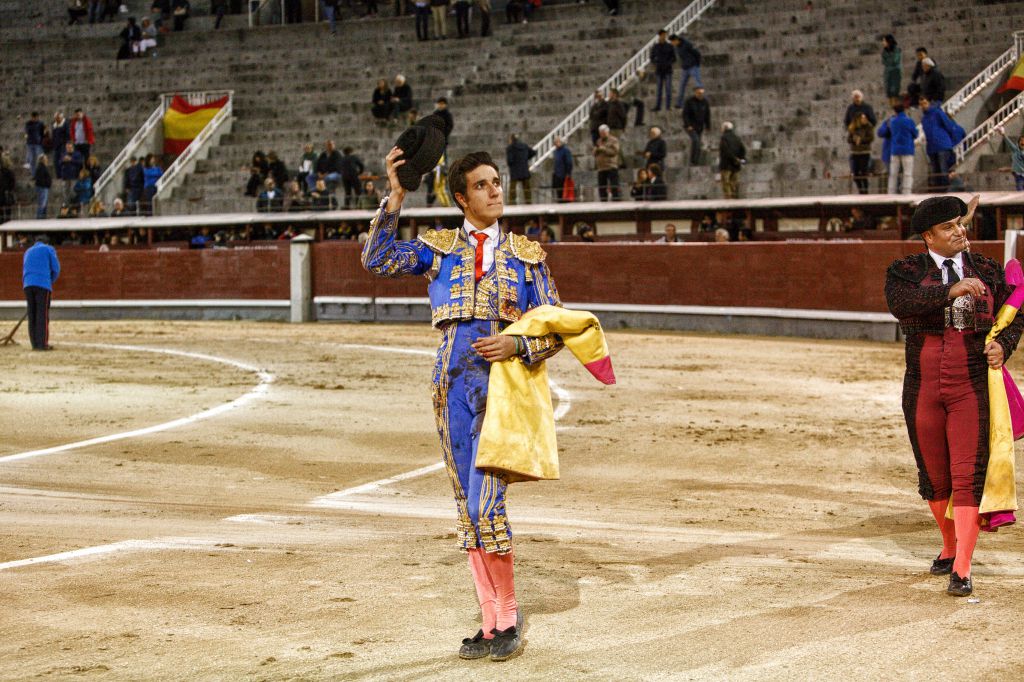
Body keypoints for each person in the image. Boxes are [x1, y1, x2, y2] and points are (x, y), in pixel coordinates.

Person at [362, 148, 564, 662]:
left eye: (497, 182)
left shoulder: (526, 254)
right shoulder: (439, 247)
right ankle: (490, 619)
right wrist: (398, 193)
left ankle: (510, 613)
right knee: (465, 509)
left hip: (502, 391)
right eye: (482, 185)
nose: (496, 190)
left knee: (485, 505)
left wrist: (517, 345)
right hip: (451, 386)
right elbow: (376, 259)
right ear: (461, 196)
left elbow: (557, 328)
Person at [885, 195, 1024, 597]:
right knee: (934, 476)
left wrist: (1005, 344)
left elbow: (1017, 314)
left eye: (960, 224)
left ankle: (962, 567)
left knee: (968, 475)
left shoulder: (987, 269)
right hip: (923, 386)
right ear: (928, 236)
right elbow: (901, 305)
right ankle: (949, 546)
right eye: (948, 227)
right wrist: (952, 289)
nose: (959, 231)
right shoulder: (906, 271)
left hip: (972, 383)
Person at [22, 235, 61, 351]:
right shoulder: (48, 249)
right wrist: (49, 281)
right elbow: (56, 269)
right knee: (42, 314)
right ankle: (42, 344)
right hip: (42, 284)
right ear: (47, 243)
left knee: (32, 314)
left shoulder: (27, 251)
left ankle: (34, 343)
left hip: (27, 285)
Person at [919, 98, 964, 192]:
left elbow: (949, 126)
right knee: (935, 171)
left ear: (929, 103)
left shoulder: (938, 113)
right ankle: (938, 190)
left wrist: (946, 139)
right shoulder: (924, 118)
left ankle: (945, 190)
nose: (923, 106)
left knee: (943, 169)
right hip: (932, 147)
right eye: (921, 104)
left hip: (942, 145)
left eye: (925, 103)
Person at [877, 104, 918, 194]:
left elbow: (882, 132)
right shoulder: (909, 121)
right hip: (907, 149)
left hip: (895, 150)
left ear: (895, 111)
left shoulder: (892, 121)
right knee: (907, 173)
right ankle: (906, 191)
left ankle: (891, 191)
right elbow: (915, 134)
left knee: (893, 174)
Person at [671, 33, 702, 105]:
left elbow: (697, 53)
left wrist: (697, 63)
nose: (672, 44)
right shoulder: (676, 47)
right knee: (682, 85)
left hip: (693, 66)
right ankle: (679, 103)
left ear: (676, 40)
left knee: (698, 83)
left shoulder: (687, 44)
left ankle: (701, 100)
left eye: (673, 42)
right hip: (685, 68)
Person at [847, 112, 874, 194]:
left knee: (863, 173)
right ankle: (860, 190)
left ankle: (865, 191)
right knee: (855, 174)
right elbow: (848, 139)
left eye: (865, 118)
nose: (864, 119)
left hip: (864, 152)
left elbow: (871, 138)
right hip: (855, 152)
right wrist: (854, 140)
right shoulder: (853, 128)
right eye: (863, 118)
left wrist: (861, 140)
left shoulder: (868, 126)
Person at [682, 87, 710, 166]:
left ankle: (696, 161)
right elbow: (685, 114)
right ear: (696, 93)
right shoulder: (689, 101)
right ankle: (693, 160)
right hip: (691, 126)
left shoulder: (705, 102)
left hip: (699, 126)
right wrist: (688, 125)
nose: (701, 95)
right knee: (696, 141)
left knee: (698, 143)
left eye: (702, 93)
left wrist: (708, 126)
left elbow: (707, 115)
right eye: (699, 93)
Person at [650, 30, 676, 112]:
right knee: (659, 90)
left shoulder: (669, 46)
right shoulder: (656, 46)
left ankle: (668, 106)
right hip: (659, 70)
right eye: (662, 35)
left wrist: (669, 63)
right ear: (660, 36)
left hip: (668, 70)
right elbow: (652, 57)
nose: (664, 37)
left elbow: (674, 58)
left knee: (668, 89)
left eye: (665, 35)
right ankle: (658, 106)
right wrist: (656, 63)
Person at [505, 134, 535, 204]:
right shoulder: (524, 146)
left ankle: (512, 202)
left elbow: (510, 160)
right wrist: (525, 159)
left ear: (511, 139)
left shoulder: (510, 148)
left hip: (515, 171)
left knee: (512, 188)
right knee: (527, 188)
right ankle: (528, 202)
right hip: (524, 169)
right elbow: (533, 152)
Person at [719, 121, 746, 199]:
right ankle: (735, 200)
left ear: (724, 128)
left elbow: (725, 151)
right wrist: (741, 159)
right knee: (734, 184)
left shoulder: (724, 138)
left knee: (726, 184)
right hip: (736, 165)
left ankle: (729, 202)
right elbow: (743, 149)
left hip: (726, 165)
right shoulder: (737, 137)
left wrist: (734, 158)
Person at [594, 124, 620, 201]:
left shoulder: (614, 140)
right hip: (601, 167)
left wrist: (604, 149)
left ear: (607, 132)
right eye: (600, 133)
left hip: (611, 166)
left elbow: (615, 152)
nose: (602, 134)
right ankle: (603, 201)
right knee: (602, 187)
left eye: (603, 133)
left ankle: (616, 200)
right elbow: (595, 152)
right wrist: (595, 150)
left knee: (614, 185)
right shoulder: (598, 141)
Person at [996, 126, 1024, 191]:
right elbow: (1009, 143)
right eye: (1021, 141)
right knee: (1020, 190)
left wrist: (1005, 169)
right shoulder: (1015, 150)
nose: (1022, 142)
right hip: (1019, 176)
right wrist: (1003, 134)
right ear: (1018, 143)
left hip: (1020, 175)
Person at [882, 34, 902, 106]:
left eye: (884, 41)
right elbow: (883, 61)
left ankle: (895, 106)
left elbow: (894, 60)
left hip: (895, 72)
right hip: (888, 73)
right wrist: (889, 61)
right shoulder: (884, 51)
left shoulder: (896, 50)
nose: (883, 42)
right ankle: (891, 106)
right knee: (888, 91)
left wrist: (888, 61)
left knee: (894, 90)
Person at [551, 137, 573, 203]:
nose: (556, 143)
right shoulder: (555, 151)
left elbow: (569, 162)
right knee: (559, 192)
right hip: (557, 174)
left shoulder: (566, 150)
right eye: (555, 142)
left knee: (565, 192)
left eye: (558, 142)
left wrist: (568, 173)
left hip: (564, 174)